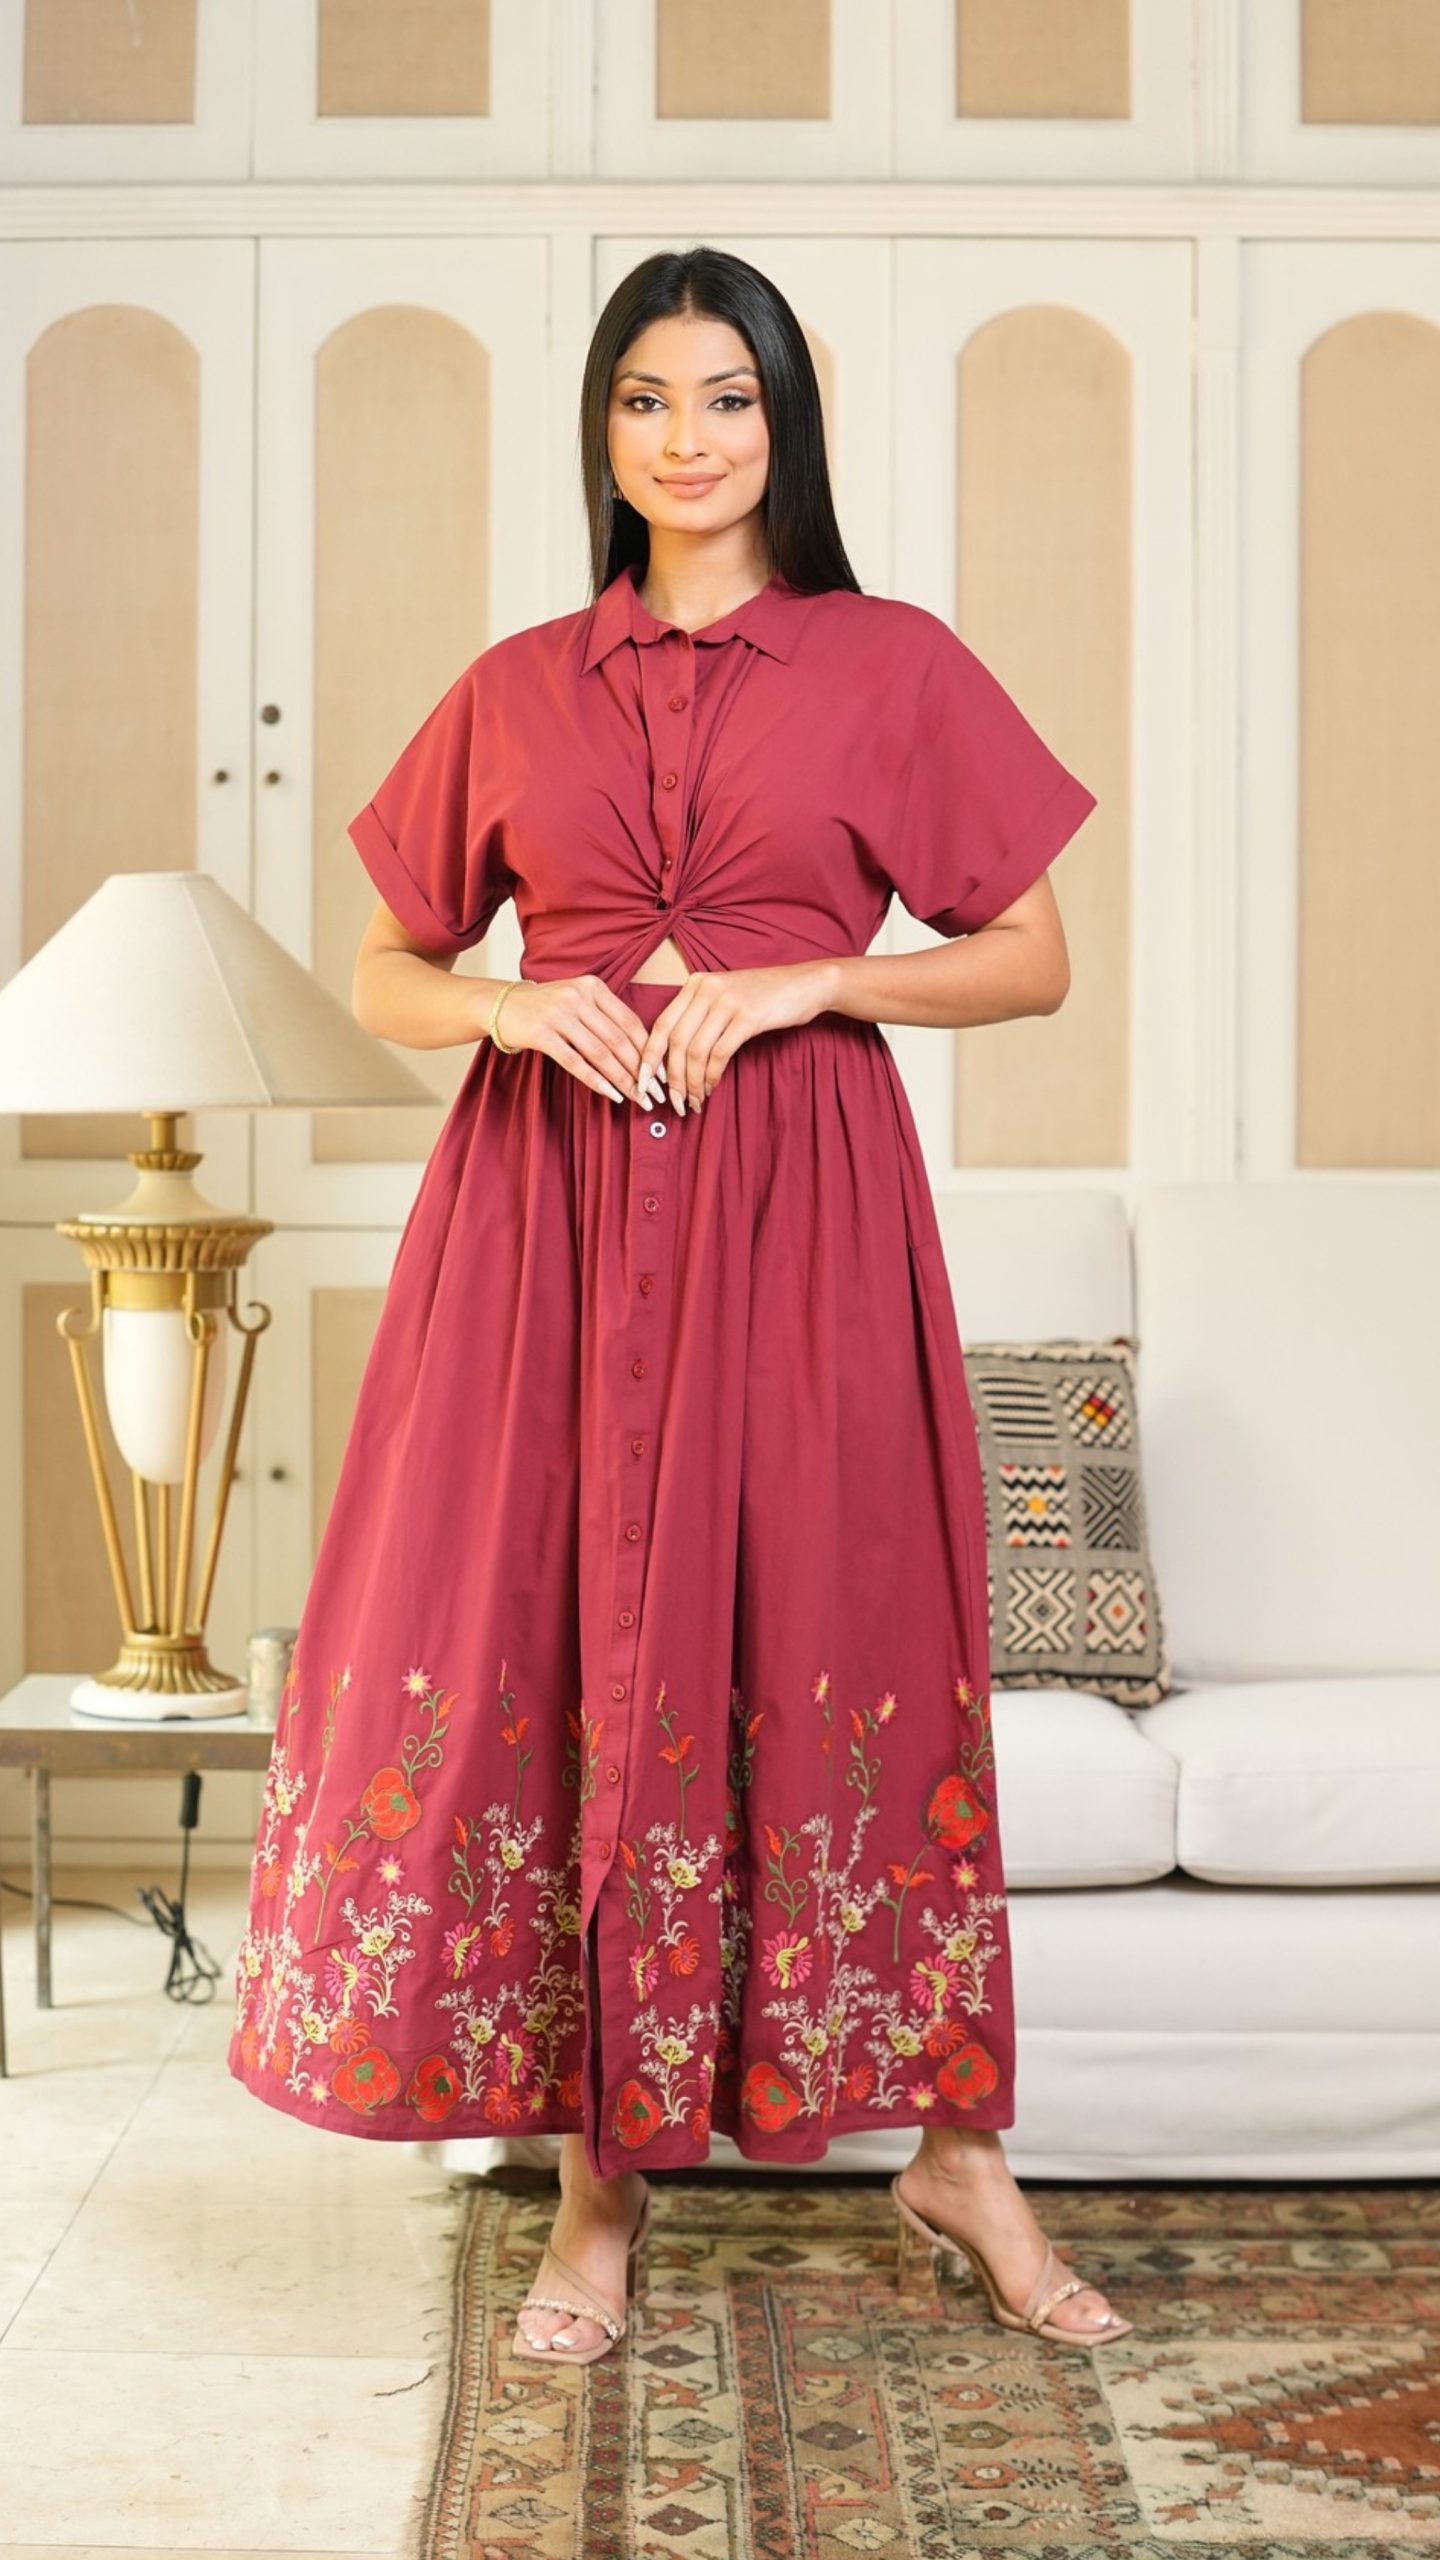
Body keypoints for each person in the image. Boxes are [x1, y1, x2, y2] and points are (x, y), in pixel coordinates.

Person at [226, 244, 1129, 2361]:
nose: (688, 437)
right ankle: (594, 2189)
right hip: (540, 1223)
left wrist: (813, 976)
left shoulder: (892, 662)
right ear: (603, 430)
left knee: (843, 1623)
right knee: (565, 1639)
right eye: (647, 398)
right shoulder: (522, 680)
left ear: (784, 423)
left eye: (729, 397)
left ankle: (957, 2150)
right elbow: (383, 968)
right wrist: (509, 1003)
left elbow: (1033, 956)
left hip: (800, 1216)